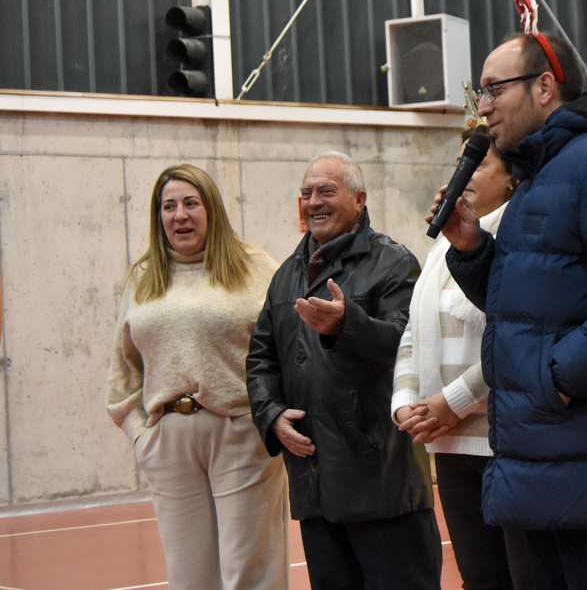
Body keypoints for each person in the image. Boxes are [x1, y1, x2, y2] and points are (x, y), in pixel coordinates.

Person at [431, 3, 587, 589]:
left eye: (494, 89)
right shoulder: (540, 179)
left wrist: (558, 376)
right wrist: (471, 248)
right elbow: (525, 307)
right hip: (536, 457)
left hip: (586, 457)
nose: (483, 106)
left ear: (545, 87)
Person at [246, 151, 441, 590]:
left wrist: (347, 325)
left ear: (359, 199)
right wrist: (271, 414)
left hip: (383, 482)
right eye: (306, 193)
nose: (314, 202)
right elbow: (261, 356)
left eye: (326, 191)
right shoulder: (286, 275)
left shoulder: (394, 262)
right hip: (315, 483)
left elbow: (408, 346)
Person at [107, 163, 288, 589]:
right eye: (168, 206)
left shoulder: (255, 267)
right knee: (189, 576)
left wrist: (271, 418)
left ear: (211, 209)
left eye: (191, 203)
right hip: (167, 440)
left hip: (242, 433)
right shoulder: (143, 277)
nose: (180, 215)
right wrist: (141, 436)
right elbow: (123, 369)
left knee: (250, 571)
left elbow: (288, 348)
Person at [393, 133, 531, 589]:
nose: (463, 175)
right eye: (458, 165)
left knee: (518, 577)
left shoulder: (516, 233)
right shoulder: (444, 242)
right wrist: (406, 404)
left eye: (477, 164)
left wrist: (451, 402)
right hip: (448, 441)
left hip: (500, 440)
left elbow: (513, 338)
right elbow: (413, 331)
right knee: (480, 577)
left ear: (511, 178)